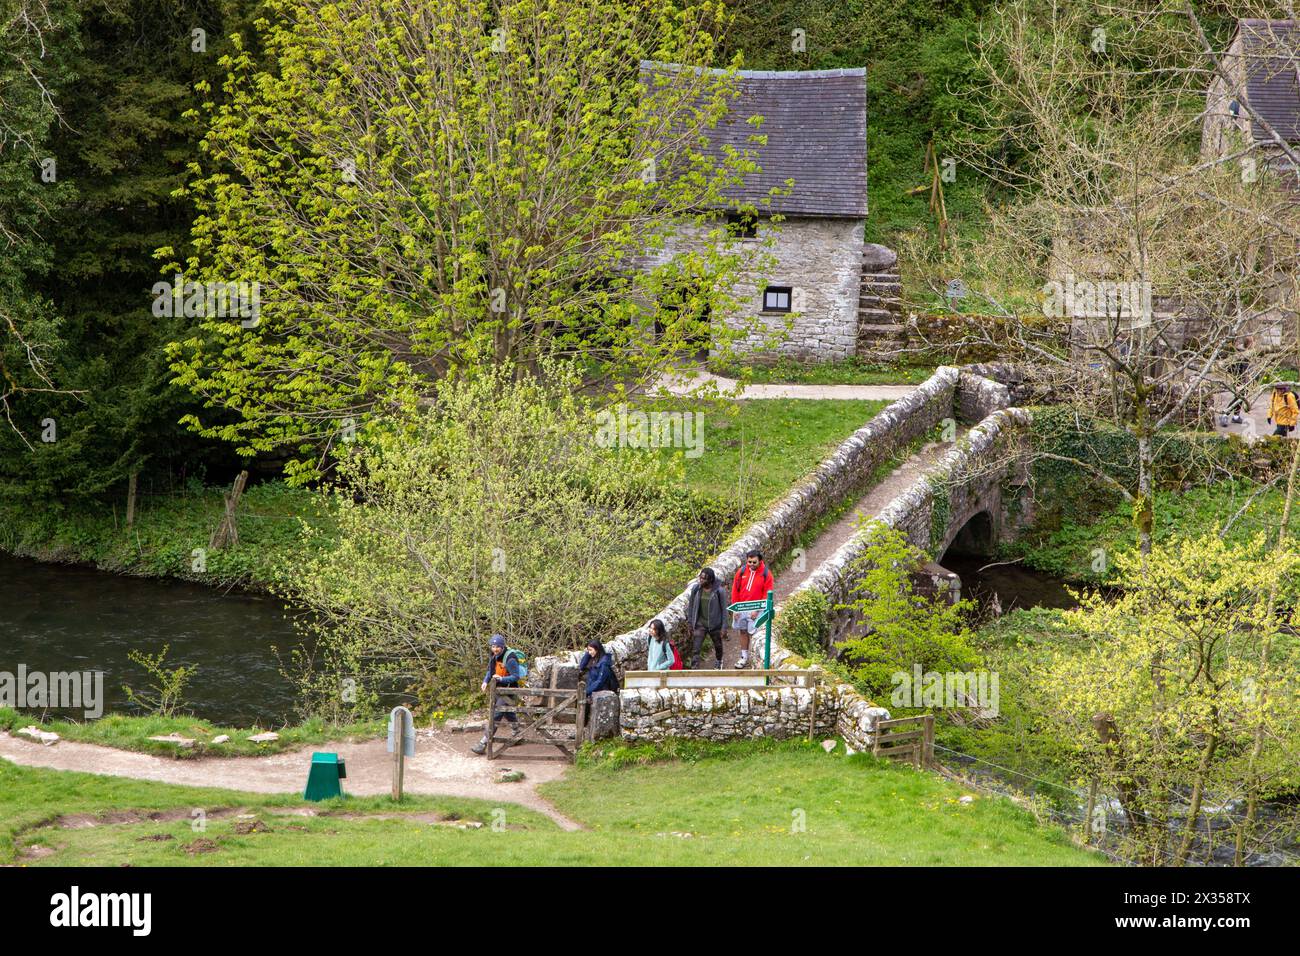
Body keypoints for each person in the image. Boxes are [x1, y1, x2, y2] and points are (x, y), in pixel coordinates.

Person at [471, 633, 522, 755]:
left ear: (502, 646)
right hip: (499, 690)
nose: (494, 649)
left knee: (497, 714)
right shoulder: (494, 656)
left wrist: (501, 679)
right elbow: (490, 671)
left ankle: (483, 743)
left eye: (497, 646)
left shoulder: (510, 659)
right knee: (507, 711)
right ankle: (517, 733)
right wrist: (485, 681)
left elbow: (516, 677)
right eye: (493, 646)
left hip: (509, 691)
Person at [730, 549, 774, 669]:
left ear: (760, 561)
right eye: (749, 562)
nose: (751, 565)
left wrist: (758, 609)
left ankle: (755, 659)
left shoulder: (766, 574)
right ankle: (744, 657)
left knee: (754, 633)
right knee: (743, 631)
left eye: (754, 562)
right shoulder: (741, 572)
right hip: (741, 607)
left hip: (757, 609)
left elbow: (767, 594)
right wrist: (735, 608)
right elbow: (735, 589)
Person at [686, 566, 726, 669]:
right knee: (696, 647)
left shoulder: (719, 591)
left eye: (704, 578)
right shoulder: (696, 589)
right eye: (700, 577)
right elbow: (691, 606)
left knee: (718, 645)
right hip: (700, 624)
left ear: (710, 579)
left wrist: (723, 627)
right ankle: (694, 667)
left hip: (715, 624)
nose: (701, 580)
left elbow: (724, 610)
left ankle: (719, 661)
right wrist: (690, 623)